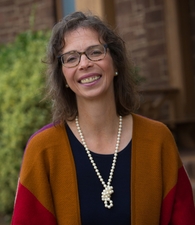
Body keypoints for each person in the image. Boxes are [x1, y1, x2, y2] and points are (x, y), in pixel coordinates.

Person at [11, 11, 195, 225]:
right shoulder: (43, 149)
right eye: (71, 58)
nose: (84, 64)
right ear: (63, 77)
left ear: (115, 63)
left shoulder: (157, 140)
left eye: (95, 52)